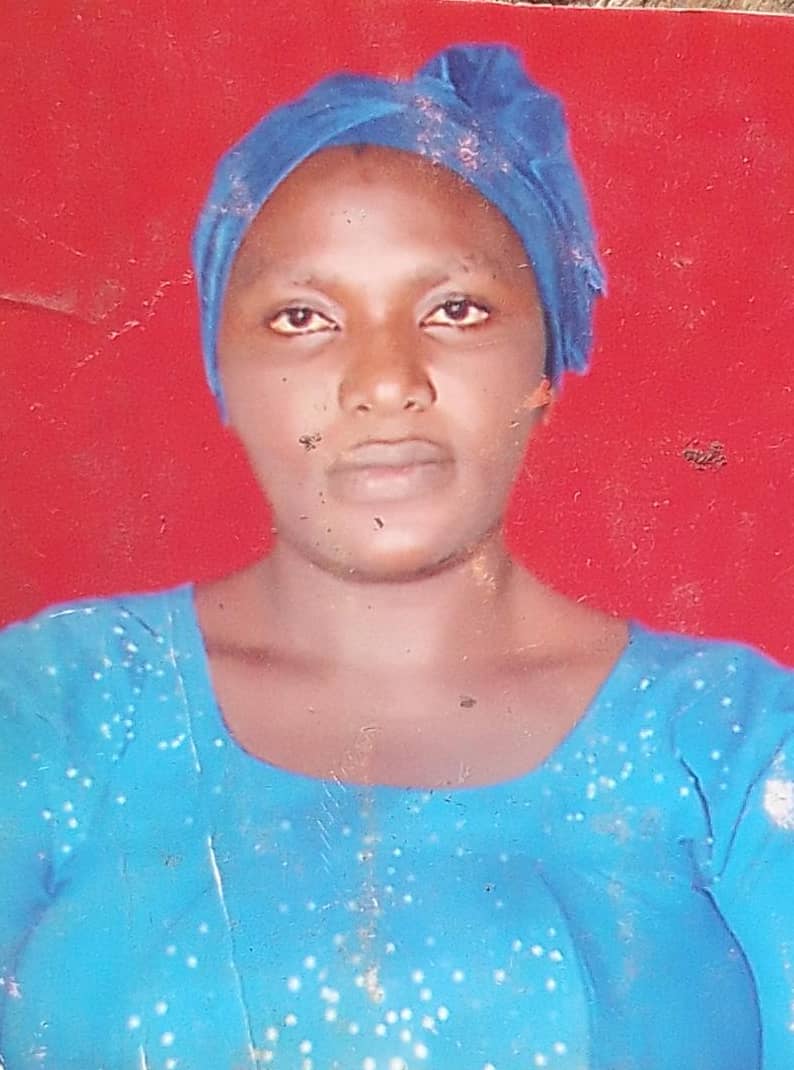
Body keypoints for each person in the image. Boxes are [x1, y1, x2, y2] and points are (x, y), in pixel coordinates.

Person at [0, 43, 792, 1070]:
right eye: (303, 318)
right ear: (220, 369)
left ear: (545, 360)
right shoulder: (54, 706)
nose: (383, 381)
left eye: (455, 310)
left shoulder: (734, 746)